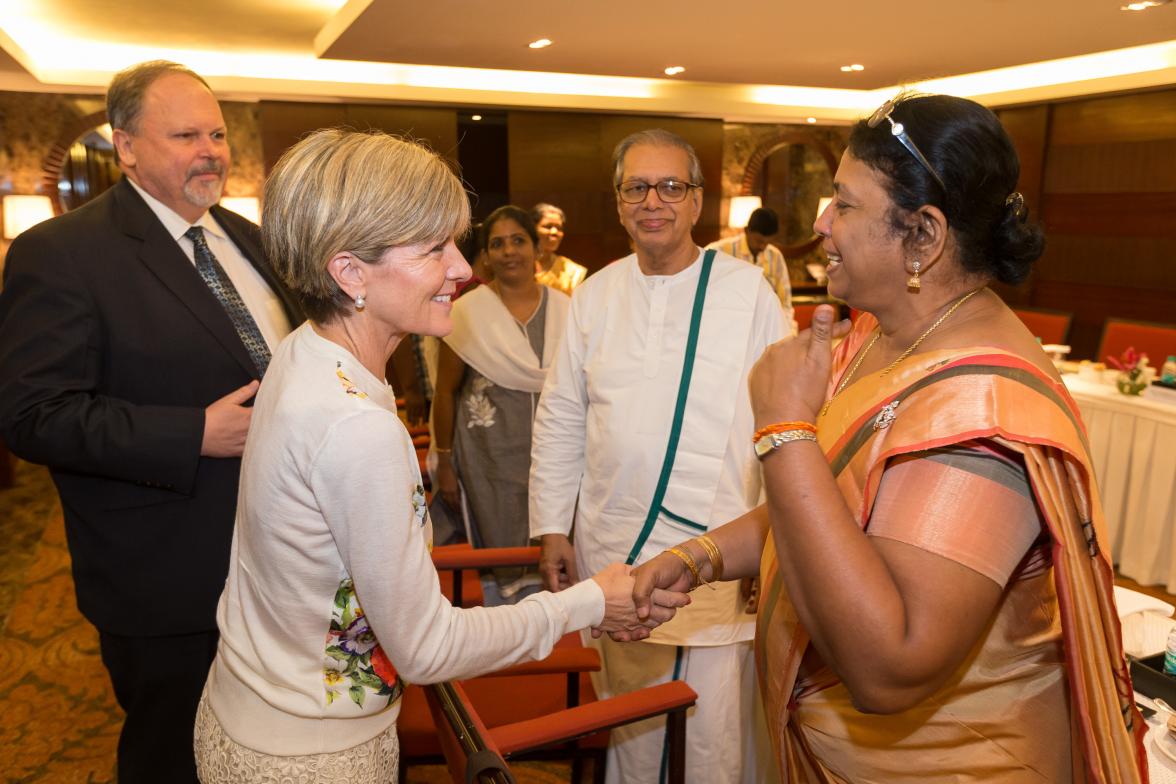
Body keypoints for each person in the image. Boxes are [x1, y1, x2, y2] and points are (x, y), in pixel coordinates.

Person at [629, 94, 1147, 782]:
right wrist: (700, 557)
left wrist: (783, 430)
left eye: (843, 203)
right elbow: (824, 510)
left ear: (923, 237)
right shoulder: (879, 335)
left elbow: (890, 665)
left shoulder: (977, 408)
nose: (821, 223)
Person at [193, 129, 687, 782]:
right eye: (434, 249)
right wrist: (589, 602)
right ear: (349, 272)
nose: (464, 268)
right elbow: (425, 648)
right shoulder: (354, 426)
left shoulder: (303, 351)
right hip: (310, 757)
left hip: (253, 706)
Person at [0, 60, 300, 784]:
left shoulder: (246, 236)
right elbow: (34, 415)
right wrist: (192, 434)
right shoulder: (64, 253)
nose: (212, 151)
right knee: (177, 757)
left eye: (219, 134)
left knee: (268, 750)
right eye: (187, 134)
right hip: (168, 573)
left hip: (284, 558)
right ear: (126, 145)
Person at [530, 128, 784, 783]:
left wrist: (770, 540)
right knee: (631, 715)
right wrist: (552, 524)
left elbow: (785, 422)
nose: (654, 201)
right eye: (637, 187)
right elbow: (561, 414)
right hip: (616, 536)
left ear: (696, 200)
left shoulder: (747, 291)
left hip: (718, 541)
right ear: (619, 203)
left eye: (671, 186)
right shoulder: (595, 296)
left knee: (712, 728)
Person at [433, 205, 570, 605]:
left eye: (518, 240)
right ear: (486, 256)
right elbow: (445, 391)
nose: (509, 251)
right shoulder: (466, 313)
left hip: (555, 455)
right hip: (487, 458)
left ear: (536, 249)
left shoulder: (567, 309)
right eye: (497, 244)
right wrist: (444, 462)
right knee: (501, 556)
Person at [707, 205, 793, 324]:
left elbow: (785, 302)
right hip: (728, 324)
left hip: (765, 328)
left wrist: (785, 330)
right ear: (747, 231)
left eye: (768, 242)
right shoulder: (719, 251)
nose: (763, 247)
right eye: (759, 241)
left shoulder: (775, 256)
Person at [531, 202, 587, 294]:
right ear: (532, 229)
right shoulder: (518, 266)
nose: (554, 232)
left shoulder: (572, 271)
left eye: (559, 228)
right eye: (547, 226)